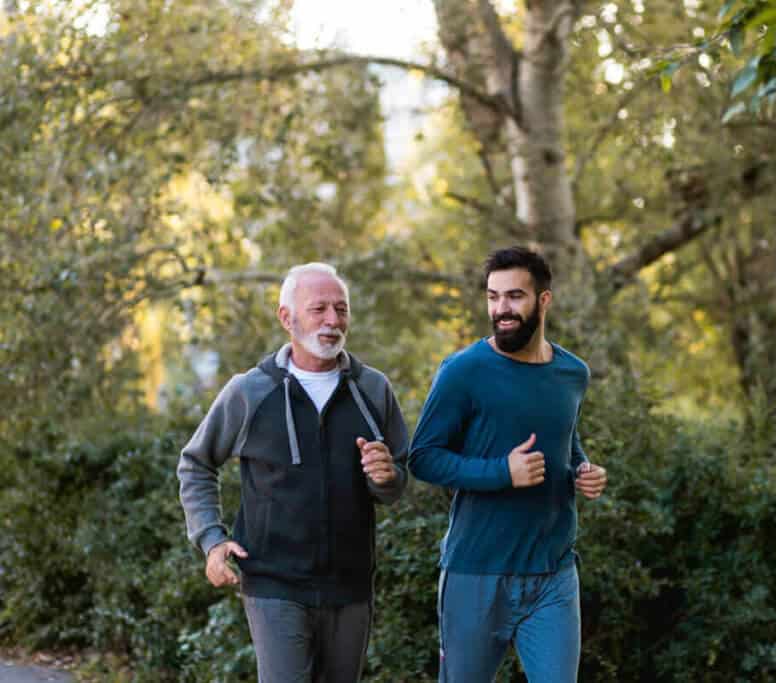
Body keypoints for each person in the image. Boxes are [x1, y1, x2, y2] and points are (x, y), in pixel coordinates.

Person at [177, 262, 409, 683]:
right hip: (273, 583)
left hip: (351, 587)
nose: (333, 320)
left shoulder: (373, 390)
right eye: (319, 308)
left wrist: (387, 476)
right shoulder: (250, 392)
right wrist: (211, 539)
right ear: (287, 317)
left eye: (341, 309)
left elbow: (397, 482)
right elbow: (196, 463)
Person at [409, 246, 608, 682]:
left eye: (514, 296)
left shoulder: (572, 374)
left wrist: (583, 469)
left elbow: (565, 439)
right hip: (475, 574)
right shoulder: (463, 371)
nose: (502, 309)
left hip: (553, 574)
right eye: (493, 297)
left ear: (544, 300)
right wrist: (502, 472)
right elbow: (422, 458)